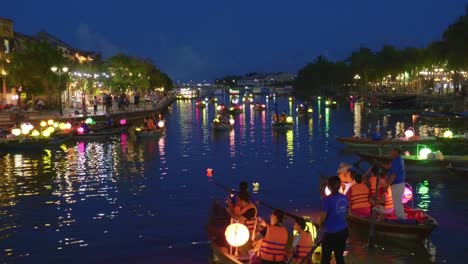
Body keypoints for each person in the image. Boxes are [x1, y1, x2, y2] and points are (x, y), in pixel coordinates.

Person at [320, 176, 348, 264]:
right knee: (339, 256)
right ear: (339, 186)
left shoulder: (327, 200)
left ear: (328, 187)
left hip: (331, 233)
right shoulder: (344, 198)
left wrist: (321, 226)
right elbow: (348, 213)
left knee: (325, 258)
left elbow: (322, 218)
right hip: (343, 231)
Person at [381, 148, 406, 219]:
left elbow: (393, 175)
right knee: (398, 202)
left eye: (392, 151)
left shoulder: (396, 161)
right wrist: (381, 164)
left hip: (397, 185)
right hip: (400, 184)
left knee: (397, 203)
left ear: (396, 152)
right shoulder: (399, 159)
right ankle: (401, 217)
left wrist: (387, 184)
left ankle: (401, 219)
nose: (390, 152)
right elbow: (390, 167)